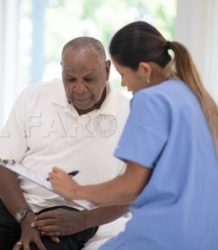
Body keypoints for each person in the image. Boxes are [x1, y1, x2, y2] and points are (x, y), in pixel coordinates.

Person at [48, 21, 218, 250]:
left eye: (123, 74)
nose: (124, 84)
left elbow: (132, 185)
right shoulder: (192, 97)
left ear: (145, 70)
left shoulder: (151, 100)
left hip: (162, 237)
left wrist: (75, 191)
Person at [0, 37, 131, 250]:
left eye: (89, 79)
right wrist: (25, 217)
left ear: (107, 70)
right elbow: (1, 168)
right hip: (15, 206)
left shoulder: (131, 115)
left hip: (73, 214)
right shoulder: (33, 97)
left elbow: (132, 192)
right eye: (70, 79)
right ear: (62, 71)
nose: (79, 89)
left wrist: (83, 221)